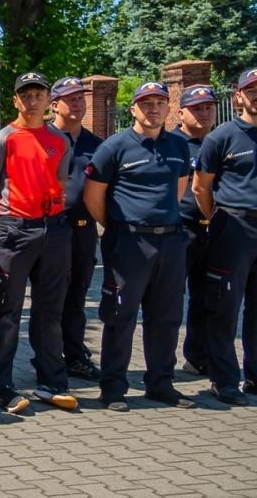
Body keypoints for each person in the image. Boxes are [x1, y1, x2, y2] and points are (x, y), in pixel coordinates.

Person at [82, 82, 193, 410]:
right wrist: (121, 224)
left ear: (168, 107)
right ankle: (114, 388)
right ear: (133, 109)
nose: (153, 109)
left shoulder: (178, 146)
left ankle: (161, 384)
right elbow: (93, 196)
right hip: (129, 242)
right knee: (120, 315)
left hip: (170, 240)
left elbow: (180, 189)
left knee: (167, 316)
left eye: (160, 102)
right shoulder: (114, 147)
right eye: (146, 103)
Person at [0, 71, 77, 415]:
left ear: (49, 99)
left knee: (50, 310)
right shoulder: (2, 139)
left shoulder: (60, 140)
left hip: (54, 229)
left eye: (39, 94)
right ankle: (1, 384)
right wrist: (9, 215)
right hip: (13, 231)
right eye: (26, 95)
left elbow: (60, 180)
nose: (32, 100)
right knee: (7, 310)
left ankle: (52, 381)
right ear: (16, 100)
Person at [191, 68, 257, 406]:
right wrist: (217, 216)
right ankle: (224, 380)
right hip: (234, 226)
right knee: (225, 306)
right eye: (252, 89)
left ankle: (254, 377)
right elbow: (200, 186)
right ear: (239, 96)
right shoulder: (223, 136)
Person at [45, 77, 105, 382]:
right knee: (51, 299)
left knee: (77, 297)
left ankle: (75, 355)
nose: (78, 104)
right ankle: (49, 359)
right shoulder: (42, 139)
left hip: (83, 230)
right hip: (51, 229)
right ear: (54, 104)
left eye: (81, 98)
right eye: (71, 99)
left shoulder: (96, 145)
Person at [174, 84, 219, 375]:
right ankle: (162, 362)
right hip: (180, 229)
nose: (203, 113)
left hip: (215, 230)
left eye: (208, 107)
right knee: (169, 297)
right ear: (180, 113)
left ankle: (199, 357)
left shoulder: (220, 141)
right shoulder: (170, 142)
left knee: (207, 297)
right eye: (196, 108)